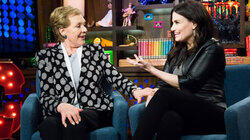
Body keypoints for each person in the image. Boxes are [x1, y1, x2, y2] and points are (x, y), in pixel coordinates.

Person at [36, 6, 146, 140]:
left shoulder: (95, 51)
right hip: (61, 112)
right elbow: (46, 95)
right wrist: (61, 106)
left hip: (93, 110)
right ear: (63, 31)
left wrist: (134, 91)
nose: (85, 29)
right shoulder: (46, 57)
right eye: (78, 26)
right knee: (48, 125)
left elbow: (114, 76)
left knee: (74, 121)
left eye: (83, 24)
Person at [127, 1, 226, 140]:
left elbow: (189, 82)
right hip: (187, 114)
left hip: (213, 113)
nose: (172, 28)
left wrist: (151, 69)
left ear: (194, 23)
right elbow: (162, 85)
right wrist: (153, 93)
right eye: (172, 23)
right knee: (170, 119)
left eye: (177, 22)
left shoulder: (212, 48)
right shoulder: (176, 50)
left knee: (164, 95)